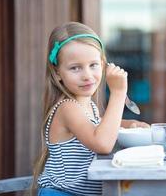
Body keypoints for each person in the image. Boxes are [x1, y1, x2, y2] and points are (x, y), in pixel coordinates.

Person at [33, 22, 149, 195]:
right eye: (75, 68)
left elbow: (97, 126)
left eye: (93, 65)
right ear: (57, 73)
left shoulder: (88, 106)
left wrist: (127, 124)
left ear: (103, 65)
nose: (87, 75)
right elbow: (102, 143)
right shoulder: (68, 108)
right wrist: (118, 93)